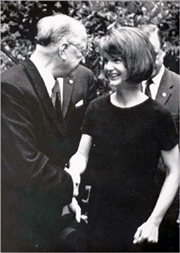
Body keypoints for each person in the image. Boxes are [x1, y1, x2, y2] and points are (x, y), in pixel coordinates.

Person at [65, 27, 179, 252]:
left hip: (142, 225)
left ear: (135, 62)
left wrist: (154, 222)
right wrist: (74, 171)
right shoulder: (96, 108)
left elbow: (175, 170)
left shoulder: (158, 115)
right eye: (106, 60)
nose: (108, 67)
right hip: (100, 221)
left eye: (116, 61)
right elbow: (81, 155)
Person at [1, 13, 87, 252]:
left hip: (43, 220)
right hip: (18, 229)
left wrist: (67, 199)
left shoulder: (36, 82)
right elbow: (26, 165)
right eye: (82, 51)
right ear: (64, 49)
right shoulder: (11, 87)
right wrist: (70, 183)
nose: (83, 61)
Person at [138, 23, 180, 252]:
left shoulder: (179, 88)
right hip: (133, 204)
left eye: (152, 54)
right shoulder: (125, 89)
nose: (147, 61)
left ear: (163, 52)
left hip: (171, 207)